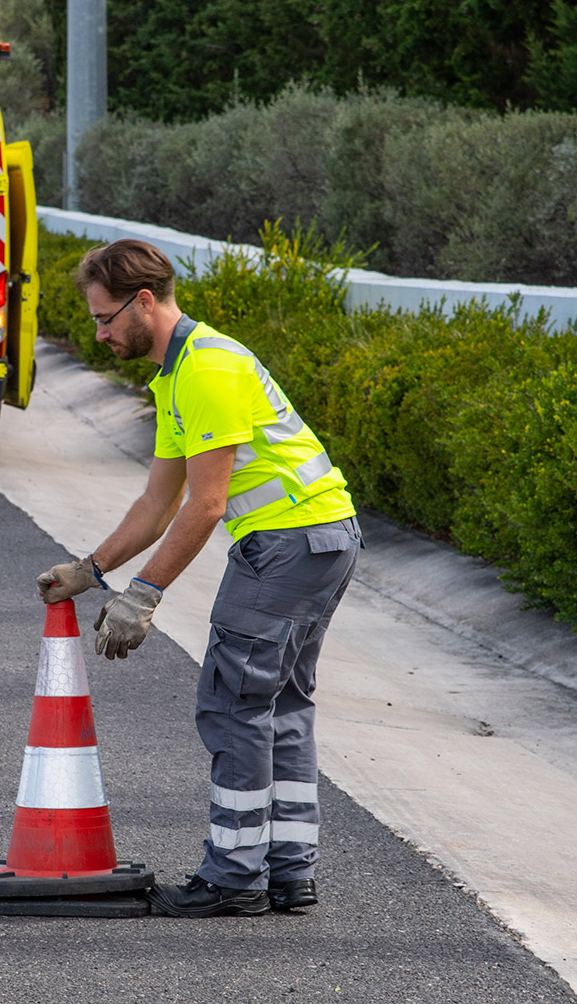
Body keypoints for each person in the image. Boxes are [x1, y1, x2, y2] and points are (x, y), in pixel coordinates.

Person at [36, 239, 361, 918]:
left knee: (234, 703)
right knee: (280, 704)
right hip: (322, 539)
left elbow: (206, 505)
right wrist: (92, 570)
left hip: (287, 544)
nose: (98, 335)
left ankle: (234, 878)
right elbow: (158, 503)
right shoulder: (178, 374)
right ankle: (289, 872)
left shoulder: (207, 370)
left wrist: (143, 595)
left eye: (103, 319)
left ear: (143, 302)